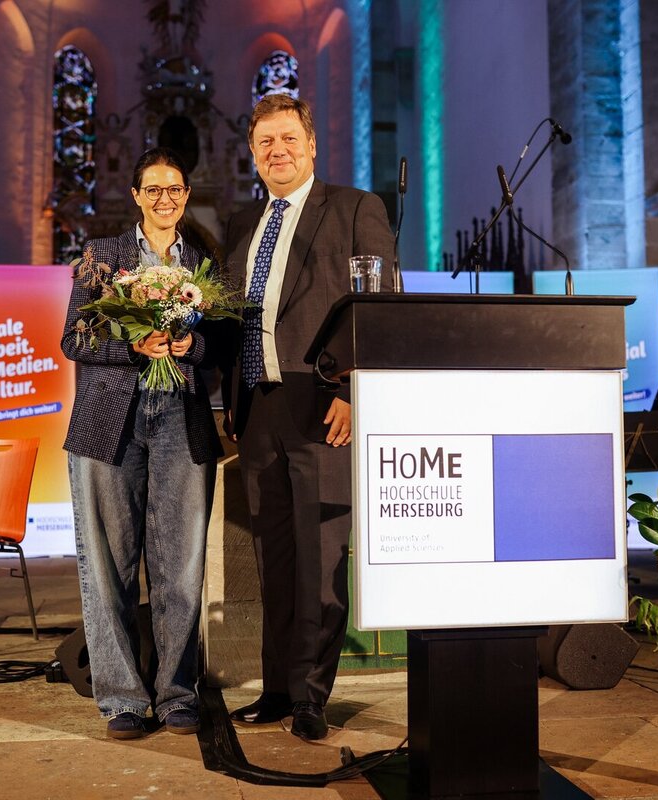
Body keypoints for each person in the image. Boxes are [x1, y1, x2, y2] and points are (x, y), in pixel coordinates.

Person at [221, 95, 396, 740]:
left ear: (312, 145)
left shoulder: (353, 209)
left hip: (323, 404)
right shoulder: (242, 223)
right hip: (259, 407)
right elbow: (230, 316)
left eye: (288, 138)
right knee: (276, 558)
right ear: (252, 153)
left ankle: (312, 697)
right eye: (265, 142)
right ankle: (275, 688)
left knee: (321, 559)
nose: (278, 151)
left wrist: (354, 388)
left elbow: (378, 305)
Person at [60, 147, 222, 740]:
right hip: (109, 424)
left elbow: (220, 346)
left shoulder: (202, 263)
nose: (164, 198)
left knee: (180, 564)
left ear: (185, 195)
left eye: (174, 189)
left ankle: (177, 693)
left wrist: (192, 348)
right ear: (135, 195)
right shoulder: (102, 257)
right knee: (109, 565)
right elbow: (73, 337)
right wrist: (135, 347)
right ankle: (123, 699)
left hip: (181, 417)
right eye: (153, 189)